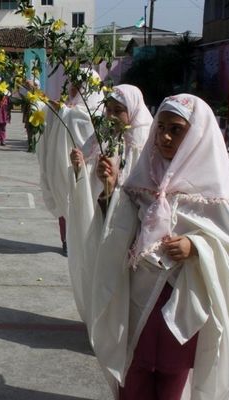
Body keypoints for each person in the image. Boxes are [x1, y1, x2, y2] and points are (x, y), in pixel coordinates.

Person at [90, 94, 229, 399]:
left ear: (197, 134)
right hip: (138, 304)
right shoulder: (143, 177)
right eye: (160, 128)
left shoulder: (216, 191)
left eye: (176, 129)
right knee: (133, 377)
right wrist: (109, 194)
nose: (165, 137)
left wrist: (196, 246)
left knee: (171, 383)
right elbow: (120, 232)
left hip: (180, 309)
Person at [66, 84, 152, 327]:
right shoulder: (102, 136)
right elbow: (87, 170)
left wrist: (115, 183)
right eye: (109, 110)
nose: (112, 116)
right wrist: (79, 166)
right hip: (101, 214)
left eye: (119, 110)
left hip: (130, 223)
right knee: (100, 269)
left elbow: (141, 184)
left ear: (133, 110)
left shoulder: (144, 140)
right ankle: (103, 323)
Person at [36, 70, 103, 255]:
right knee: (65, 199)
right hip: (66, 163)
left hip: (88, 168)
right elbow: (60, 112)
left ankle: (85, 242)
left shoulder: (96, 110)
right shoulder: (70, 108)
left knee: (86, 204)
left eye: (78, 85)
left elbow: (72, 116)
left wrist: (40, 96)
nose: (73, 88)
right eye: (72, 84)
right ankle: (67, 241)